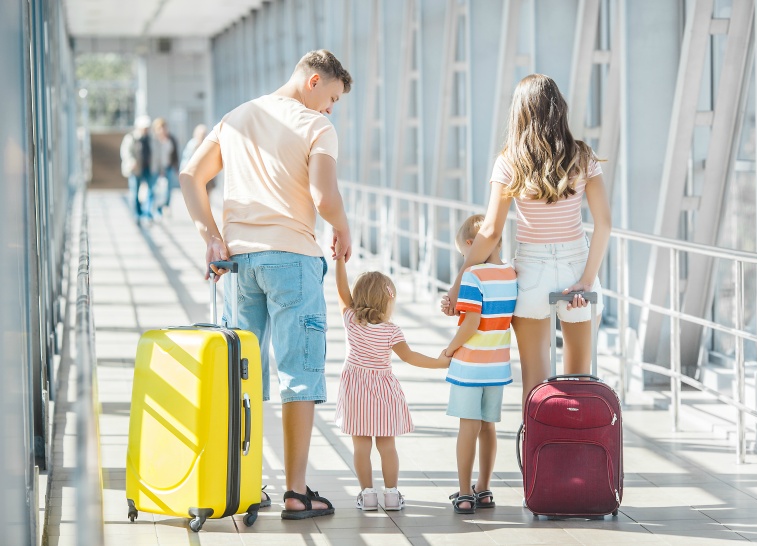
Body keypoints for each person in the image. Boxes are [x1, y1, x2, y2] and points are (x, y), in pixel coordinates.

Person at [178, 49, 353, 520]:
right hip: (292, 258)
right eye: (331, 98)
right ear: (314, 80)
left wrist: (212, 239)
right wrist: (343, 225)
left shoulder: (237, 116)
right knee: (300, 373)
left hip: (238, 263)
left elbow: (191, 175)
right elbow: (323, 195)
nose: (330, 109)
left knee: (243, 374)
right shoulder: (316, 127)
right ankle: (297, 492)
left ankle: (245, 483)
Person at [443, 74, 611, 408]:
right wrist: (586, 280)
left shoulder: (509, 162)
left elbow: (490, 231)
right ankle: (574, 455)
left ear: (519, 115)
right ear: (559, 108)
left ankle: (539, 458)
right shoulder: (582, 157)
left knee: (534, 386)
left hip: (531, 275)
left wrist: (459, 283)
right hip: (577, 269)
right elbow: (604, 224)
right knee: (579, 382)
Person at [333, 253, 450, 511]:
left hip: (355, 393)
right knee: (387, 446)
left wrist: (340, 259)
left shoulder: (352, 321)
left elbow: (341, 290)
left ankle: (368, 495)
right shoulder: (391, 330)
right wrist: (440, 362)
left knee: (361, 446)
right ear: (388, 300)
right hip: (384, 391)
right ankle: (392, 495)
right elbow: (410, 357)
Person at [443, 215, 517, 514]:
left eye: (464, 253)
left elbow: (471, 322)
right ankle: (484, 489)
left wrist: (450, 349)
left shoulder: (473, 275)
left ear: (472, 246)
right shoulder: (511, 273)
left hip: (470, 365)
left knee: (467, 428)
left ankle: (463, 493)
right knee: (488, 427)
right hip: (497, 366)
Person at [120, 114, 159, 223]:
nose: (146, 130)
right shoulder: (131, 138)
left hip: (149, 169)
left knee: (151, 192)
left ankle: (147, 214)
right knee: (135, 192)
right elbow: (126, 152)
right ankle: (137, 214)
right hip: (136, 169)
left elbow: (156, 154)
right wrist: (131, 162)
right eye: (144, 128)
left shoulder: (151, 139)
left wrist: (159, 167)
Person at [153, 117, 179, 216]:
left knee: (168, 189)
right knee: (157, 190)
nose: (162, 130)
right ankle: (157, 210)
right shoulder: (154, 140)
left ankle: (166, 206)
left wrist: (176, 168)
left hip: (169, 167)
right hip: (157, 168)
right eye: (160, 128)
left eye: (164, 127)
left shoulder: (171, 139)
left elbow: (175, 154)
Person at [179, 124, 215, 194]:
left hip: (207, 174)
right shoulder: (192, 145)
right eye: (201, 134)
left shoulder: (208, 144)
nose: (202, 136)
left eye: (204, 134)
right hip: (195, 175)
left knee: (208, 193)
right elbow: (186, 160)